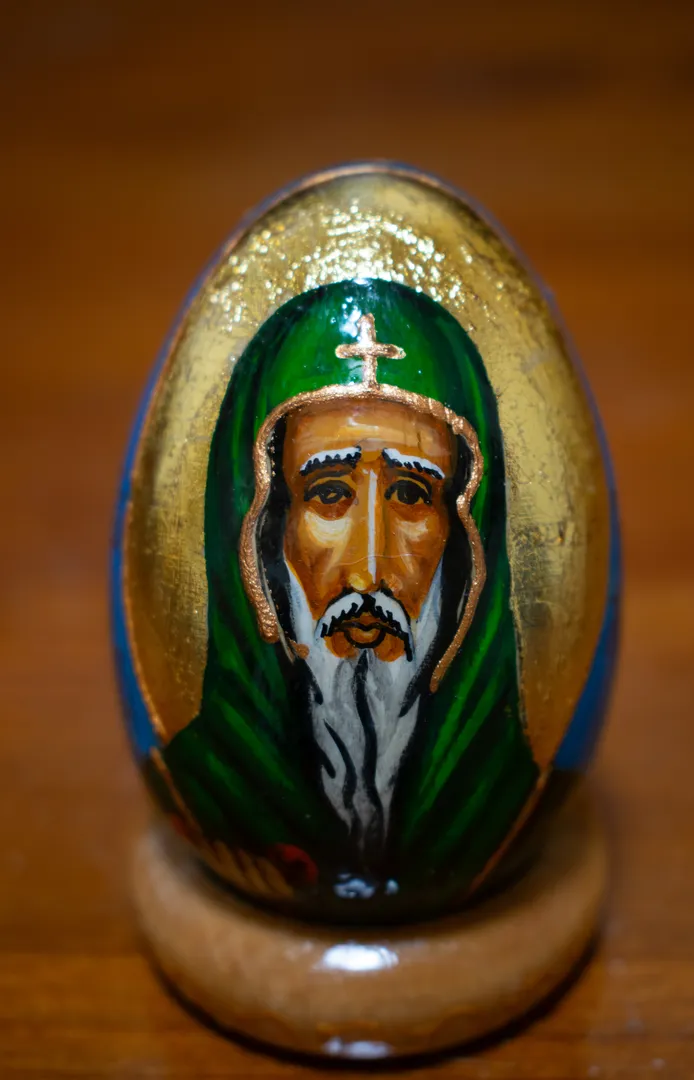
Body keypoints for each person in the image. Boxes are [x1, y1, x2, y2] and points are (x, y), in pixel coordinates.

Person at [159, 279, 538, 918]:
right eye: (329, 493)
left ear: (466, 540)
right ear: (265, 530)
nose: (368, 573)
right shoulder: (210, 787)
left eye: (411, 495)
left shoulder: (507, 799)